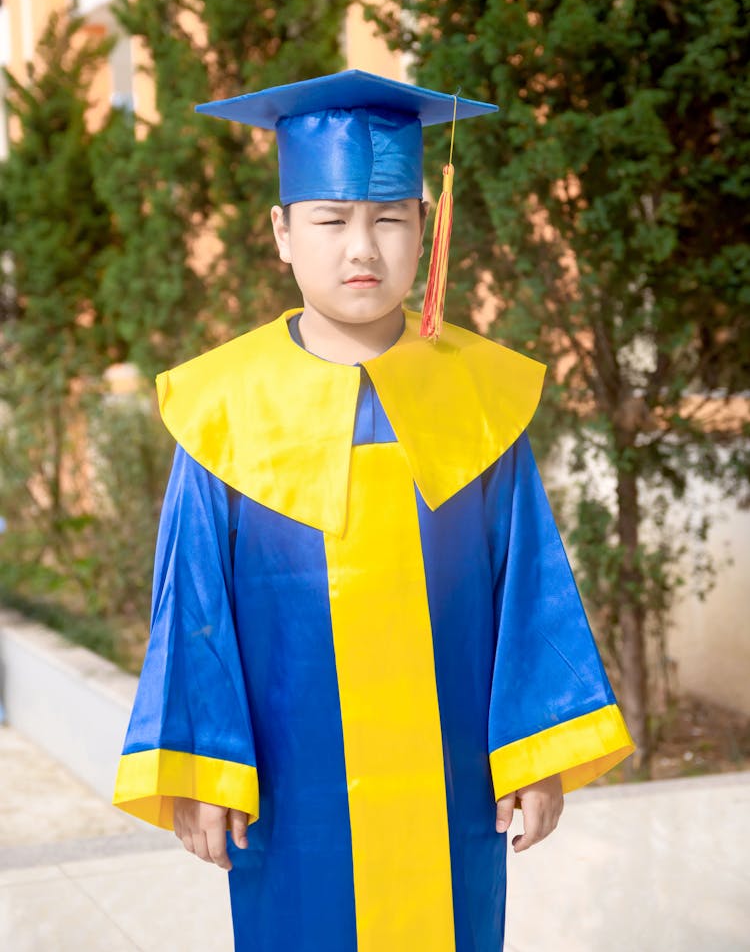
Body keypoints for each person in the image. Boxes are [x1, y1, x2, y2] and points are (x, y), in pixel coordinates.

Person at [113, 69, 634, 951]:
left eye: (390, 216)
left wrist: (536, 757)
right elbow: (191, 606)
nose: (363, 246)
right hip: (292, 782)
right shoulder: (225, 408)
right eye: (329, 218)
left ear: (424, 227)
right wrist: (202, 769)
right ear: (281, 232)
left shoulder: (478, 399)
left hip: (451, 781)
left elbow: (530, 589)